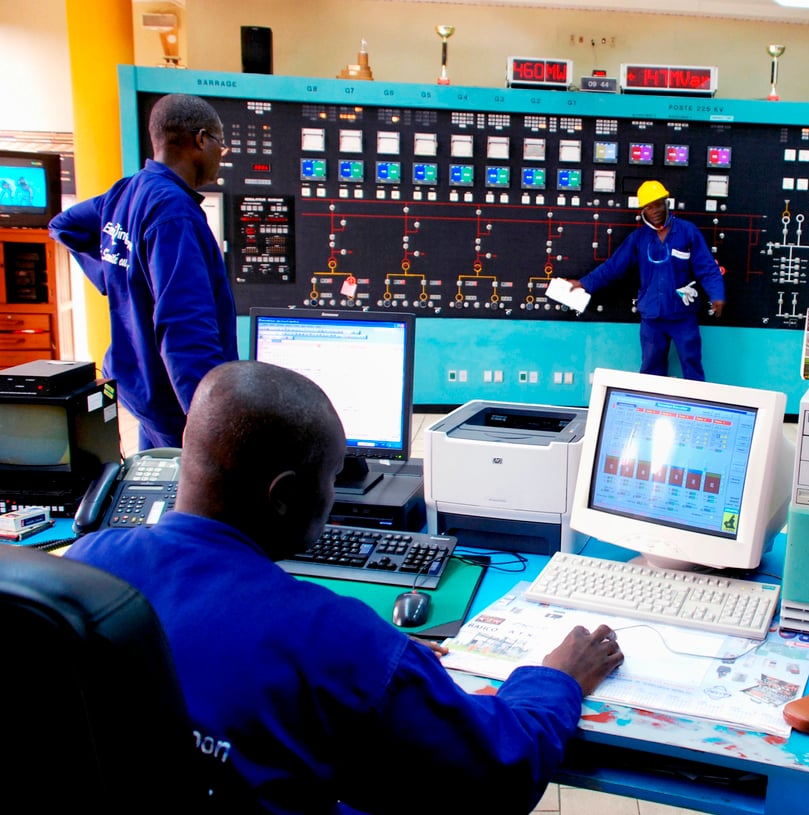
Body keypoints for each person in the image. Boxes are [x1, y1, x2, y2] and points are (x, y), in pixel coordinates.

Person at [66, 360, 624, 814]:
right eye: (333, 477)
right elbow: (497, 776)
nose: (335, 496)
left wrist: (384, 663)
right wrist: (557, 680)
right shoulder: (331, 639)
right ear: (282, 496)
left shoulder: (87, 568)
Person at [50, 93, 238, 450]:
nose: (220, 157)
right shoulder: (174, 214)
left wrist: (119, 276)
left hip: (140, 386)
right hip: (174, 403)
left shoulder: (127, 191)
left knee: (156, 488)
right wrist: (214, 429)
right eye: (220, 146)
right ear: (200, 140)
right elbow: (184, 331)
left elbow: (65, 225)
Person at [566, 180, 725, 380]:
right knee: (651, 369)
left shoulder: (687, 232)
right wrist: (584, 283)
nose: (655, 210)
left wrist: (717, 294)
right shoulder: (639, 238)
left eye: (658, 204)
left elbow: (707, 268)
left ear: (666, 203)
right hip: (652, 317)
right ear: (643, 211)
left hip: (683, 315)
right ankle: (650, 409)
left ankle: (695, 409)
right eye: (649, 206)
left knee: (692, 365)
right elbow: (614, 266)